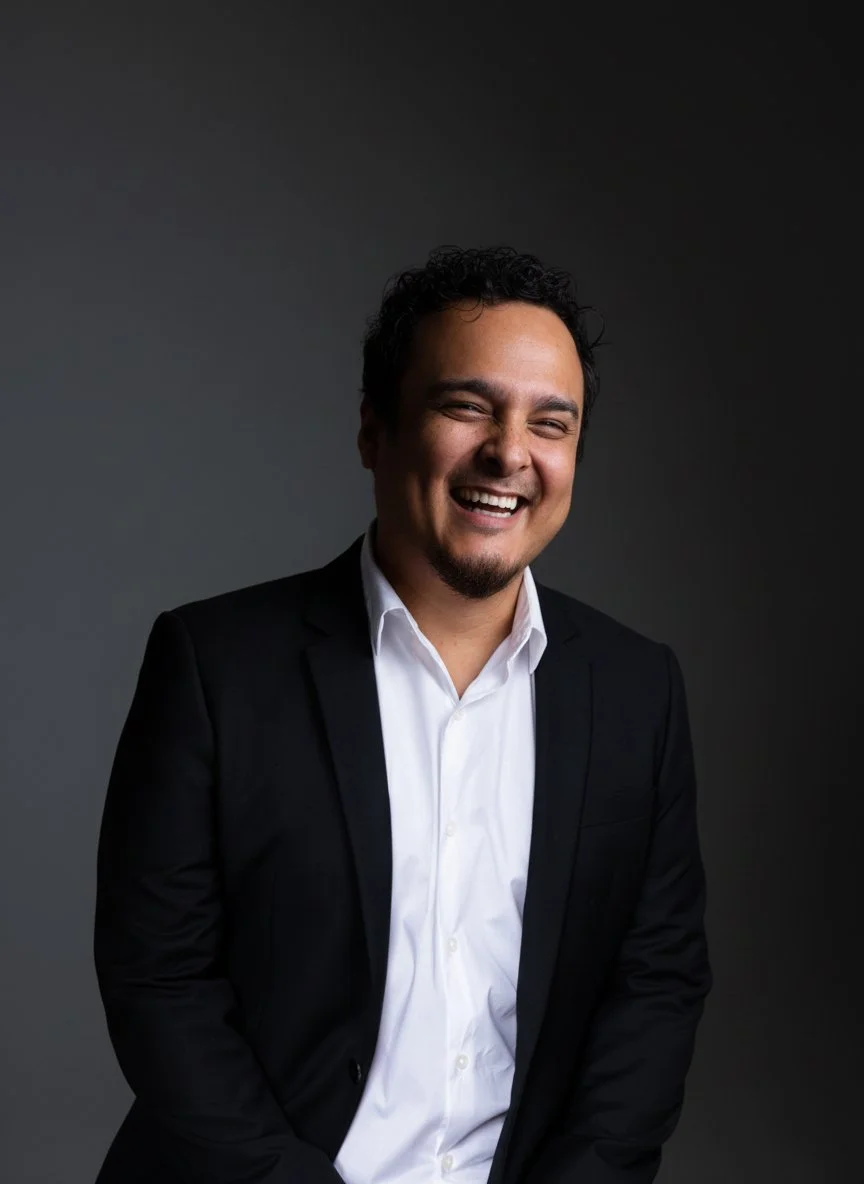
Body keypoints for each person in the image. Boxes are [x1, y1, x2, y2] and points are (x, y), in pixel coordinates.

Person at [93, 245, 712, 1184]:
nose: (511, 453)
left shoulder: (639, 690)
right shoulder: (214, 666)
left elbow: (655, 986)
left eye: (552, 422)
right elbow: (159, 981)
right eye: (468, 407)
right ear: (374, 430)